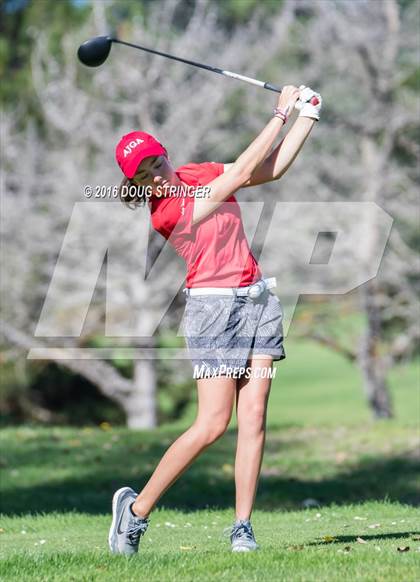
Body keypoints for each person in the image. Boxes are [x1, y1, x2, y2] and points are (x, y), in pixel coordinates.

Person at [108, 85, 322, 555]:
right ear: (136, 185)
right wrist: (280, 113)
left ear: (166, 154)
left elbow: (267, 171)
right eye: (144, 175)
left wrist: (308, 116)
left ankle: (242, 526)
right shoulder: (166, 211)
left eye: (156, 163)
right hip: (214, 312)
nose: (157, 177)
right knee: (212, 424)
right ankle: (136, 511)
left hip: (259, 300)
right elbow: (243, 168)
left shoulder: (194, 172)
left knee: (255, 414)